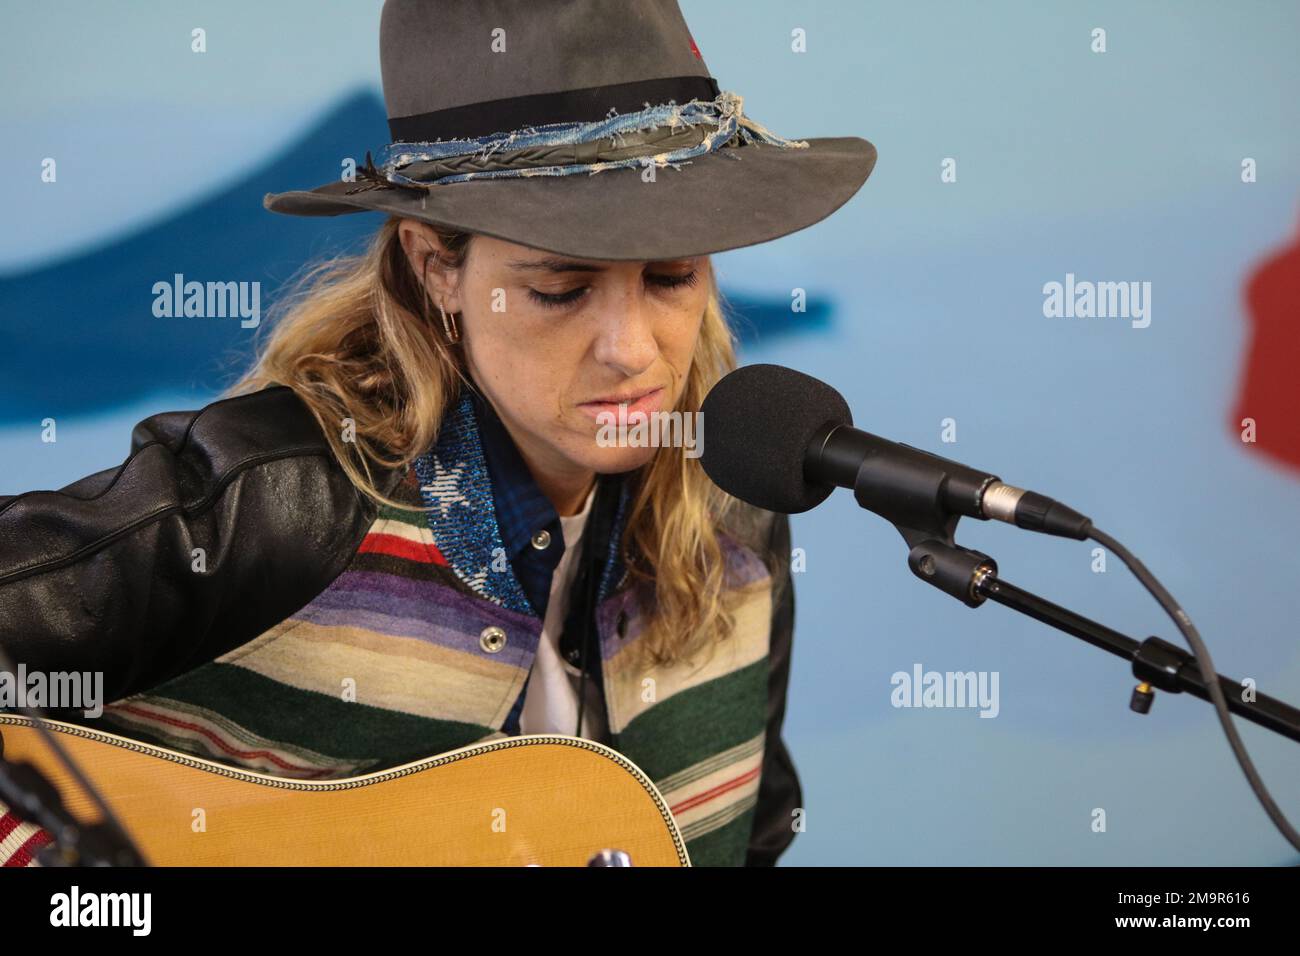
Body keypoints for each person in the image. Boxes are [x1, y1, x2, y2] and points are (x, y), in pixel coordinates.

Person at [0, 0, 876, 867]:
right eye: (561, 290)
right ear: (436, 269)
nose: (632, 350)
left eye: (672, 276)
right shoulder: (278, 498)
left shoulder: (741, 513)